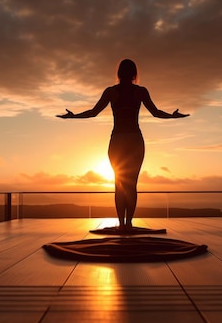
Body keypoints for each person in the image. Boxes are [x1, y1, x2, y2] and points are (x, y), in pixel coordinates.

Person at [58, 58, 189, 230]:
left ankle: (121, 224)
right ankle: (128, 224)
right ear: (134, 74)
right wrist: (172, 116)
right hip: (135, 140)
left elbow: (93, 113)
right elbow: (156, 113)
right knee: (131, 184)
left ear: (119, 73)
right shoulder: (140, 91)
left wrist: (73, 116)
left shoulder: (111, 92)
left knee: (119, 183)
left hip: (118, 140)